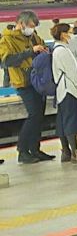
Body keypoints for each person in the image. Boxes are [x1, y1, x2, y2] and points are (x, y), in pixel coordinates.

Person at [0, 11, 53, 165]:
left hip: (38, 81)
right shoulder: (7, 39)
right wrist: (31, 51)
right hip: (23, 82)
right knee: (34, 114)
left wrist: (44, 49)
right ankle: (22, 151)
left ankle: (35, 149)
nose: (32, 29)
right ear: (21, 23)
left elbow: (42, 47)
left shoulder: (34, 37)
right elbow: (7, 61)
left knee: (39, 115)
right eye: (30, 26)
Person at [49, 22, 77, 165]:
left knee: (62, 121)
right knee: (71, 121)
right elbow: (72, 72)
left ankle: (65, 151)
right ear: (64, 34)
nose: (72, 35)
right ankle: (75, 152)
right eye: (71, 32)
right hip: (69, 90)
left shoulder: (56, 50)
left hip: (61, 90)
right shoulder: (63, 51)